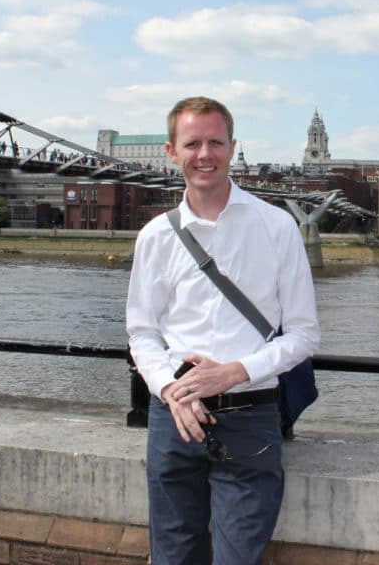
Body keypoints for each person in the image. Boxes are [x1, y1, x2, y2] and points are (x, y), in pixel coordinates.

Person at [126, 96, 319, 565]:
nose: (204, 154)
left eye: (215, 142)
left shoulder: (277, 228)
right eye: (192, 143)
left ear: (233, 147)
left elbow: (303, 334)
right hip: (174, 420)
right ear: (172, 153)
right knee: (172, 558)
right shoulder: (155, 236)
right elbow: (142, 332)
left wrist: (234, 371)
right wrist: (171, 388)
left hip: (251, 420)